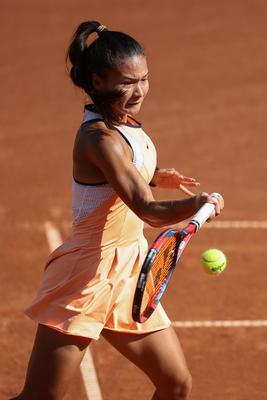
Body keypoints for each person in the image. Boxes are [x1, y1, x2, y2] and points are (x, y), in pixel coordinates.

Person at [11, 21, 224, 400]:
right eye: (127, 82)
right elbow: (148, 211)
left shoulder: (123, 125)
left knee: (175, 384)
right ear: (98, 80)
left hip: (130, 274)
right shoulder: (97, 138)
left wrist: (155, 174)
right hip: (88, 275)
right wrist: (197, 203)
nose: (139, 89)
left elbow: (121, 174)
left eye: (144, 78)